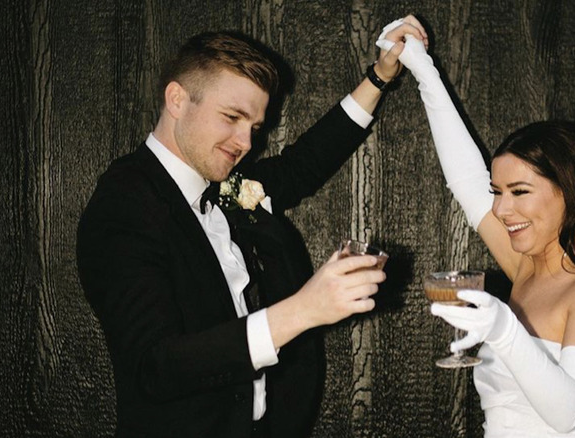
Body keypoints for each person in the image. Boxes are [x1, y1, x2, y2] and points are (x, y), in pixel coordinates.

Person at [77, 18, 428, 438]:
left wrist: (380, 76)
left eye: (254, 128)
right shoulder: (124, 203)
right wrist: (304, 309)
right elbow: (155, 366)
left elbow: (305, 164)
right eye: (232, 117)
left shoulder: (223, 185)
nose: (245, 143)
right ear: (177, 99)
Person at [379, 18, 575, 437]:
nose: (501, 208)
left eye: (520, 191)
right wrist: (421, 67)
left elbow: (570, 413)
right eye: (498, 191)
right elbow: (466, 182)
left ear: (574, 190)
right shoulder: (528, 269)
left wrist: (503, 328)